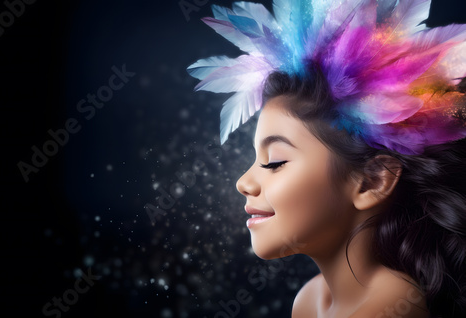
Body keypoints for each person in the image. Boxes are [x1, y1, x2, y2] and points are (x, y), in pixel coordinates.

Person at [188, 0, 466, 317]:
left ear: (372, 181)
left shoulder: (391, 309)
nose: (244, 182)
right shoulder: (310, 300)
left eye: (274, 162)